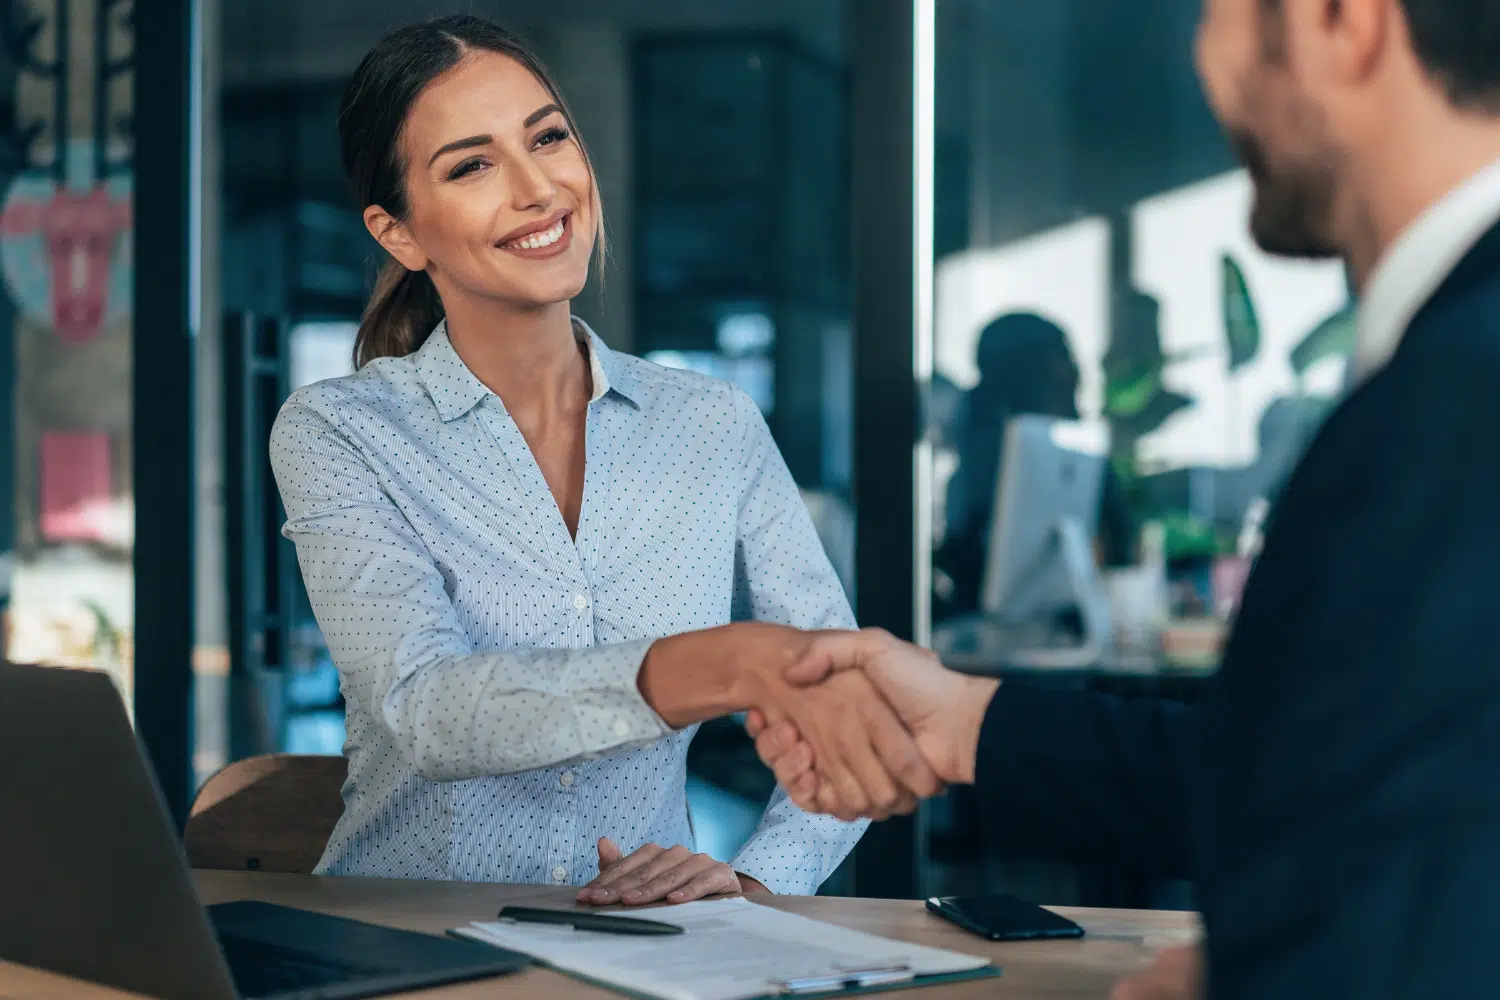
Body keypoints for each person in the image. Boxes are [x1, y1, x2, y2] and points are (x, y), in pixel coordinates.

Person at [755, 0, 1500, 996]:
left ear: (1344, 21)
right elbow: (1325, 768)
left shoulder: (1453, 399)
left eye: (1218, 14)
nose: (1206, 64)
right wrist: (970, 722)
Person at [270, 16, 939, 909]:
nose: (537, 187)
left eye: (548, 138)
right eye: (472, 165)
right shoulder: (339, 430)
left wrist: (751, 883)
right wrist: (725, 662)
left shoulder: (714, 425)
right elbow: (424, 712)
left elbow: (842, 705)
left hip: (644, 955)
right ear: (401, 235)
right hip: (399, 948)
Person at [934, 313, 1133, 619]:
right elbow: (965, 558)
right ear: (1026, 372)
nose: (1076, 373)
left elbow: (1121, 541)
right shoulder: (981, 459)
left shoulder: (1073, 454)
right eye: (1063, 357)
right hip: (984, 631)